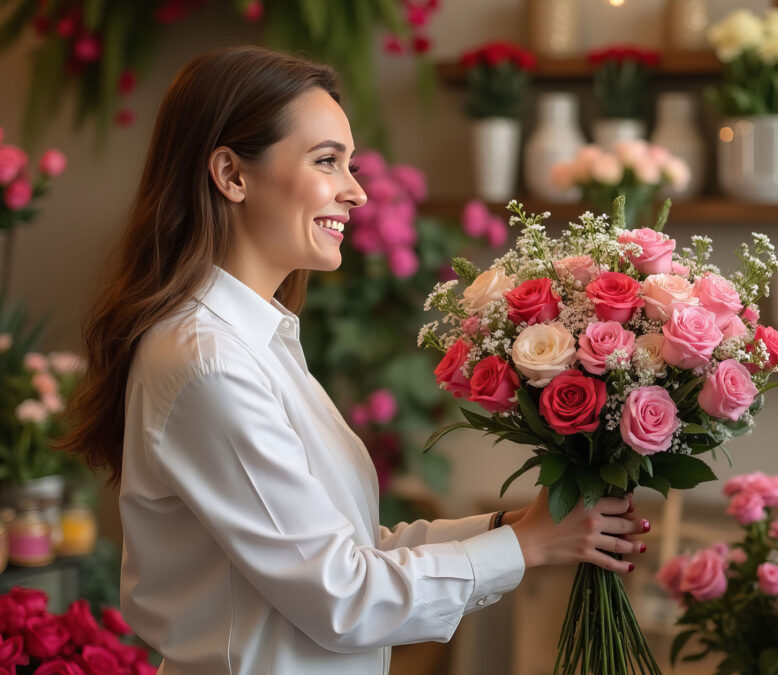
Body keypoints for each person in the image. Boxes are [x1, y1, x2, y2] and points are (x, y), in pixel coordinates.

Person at [58, 46, 647, 674]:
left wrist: (516, 526)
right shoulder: (211, 364)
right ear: (231, 175)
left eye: (350, 163)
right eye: (327, 161)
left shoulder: (257, 343)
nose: (357, 191)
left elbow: (353, 552)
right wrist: (523, 547)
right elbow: (345, 597)